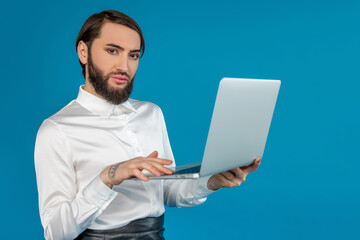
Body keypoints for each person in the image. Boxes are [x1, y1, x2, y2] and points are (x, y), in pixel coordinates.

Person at [34, 10, 261, 240]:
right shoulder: (56, 130)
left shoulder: (151, 113)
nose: (124, 66)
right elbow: (55, 233)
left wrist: (212, 181)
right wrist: (108, 177)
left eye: (133, 55)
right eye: (112, 51)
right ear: (84, 52)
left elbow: (168, 190)